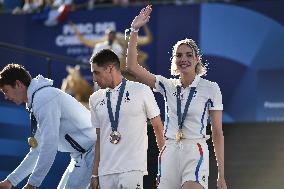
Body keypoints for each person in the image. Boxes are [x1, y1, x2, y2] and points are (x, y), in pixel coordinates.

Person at [126, 5, 227, 189]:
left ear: (197, 59)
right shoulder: (167, 85)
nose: (184, 59)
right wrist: (134, 30)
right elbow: (132, 67)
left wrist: (221, 174)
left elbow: (218, 133)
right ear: (174, 61)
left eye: (189, 55)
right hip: (169, 151)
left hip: (195, 150)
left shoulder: (211, 88)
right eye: (179, 55)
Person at [0, 64, 96, 189]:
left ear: (18, 84)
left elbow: (49, 146)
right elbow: (37, 151)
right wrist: (10, 182)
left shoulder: (44, 99)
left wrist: (32, 184)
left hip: (94, 152)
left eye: (6, 91)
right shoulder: (38, 99)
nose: (6, 97)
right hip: (82, 156)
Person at [89, 49, 164, 189]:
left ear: (110, 68)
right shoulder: (95, 98)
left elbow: (158, 128)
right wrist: (95, 174)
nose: (93, 78)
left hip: (131, 169)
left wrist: (165, 168)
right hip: (105, 172)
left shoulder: (142, 90)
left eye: (96, 72)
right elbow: (99, 138)